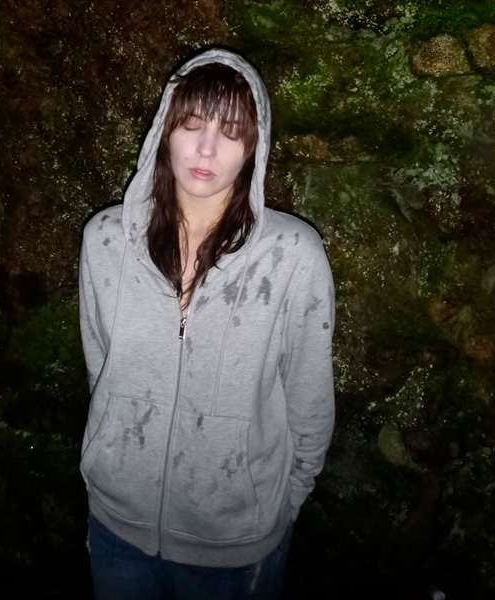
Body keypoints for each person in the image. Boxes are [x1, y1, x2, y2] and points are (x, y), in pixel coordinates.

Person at [78, 47, 335, 600]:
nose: (206, 148)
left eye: (231, 132)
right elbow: (102, 368)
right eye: (192, 123)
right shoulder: (104, 241)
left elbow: (309, 398)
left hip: (236, 545)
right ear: (164, 131)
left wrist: (284, 503)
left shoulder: (294, 256)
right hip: (118, 525)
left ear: (254, 148)